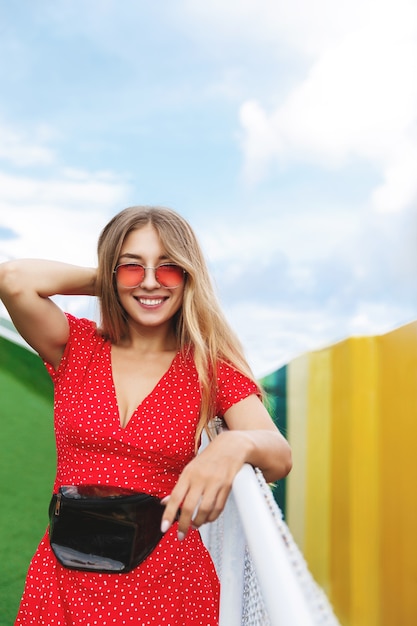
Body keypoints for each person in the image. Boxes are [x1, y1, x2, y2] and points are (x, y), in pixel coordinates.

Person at [0, 205, 292, 626]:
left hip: (165, 587)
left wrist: (235, 442)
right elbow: (13, 280)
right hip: (64, 579)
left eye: (170, 268)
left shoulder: (209, 368)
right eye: (133, 266)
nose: (152, 281)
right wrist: (117, 278)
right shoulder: (77, 346)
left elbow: (279, 455)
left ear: (190, 276)